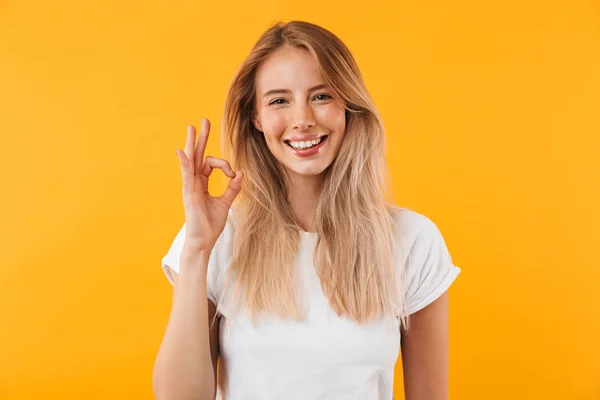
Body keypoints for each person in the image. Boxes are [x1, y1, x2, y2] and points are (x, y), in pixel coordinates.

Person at [152, 20, 461, 400]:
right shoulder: (218, 239)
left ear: (349, 105)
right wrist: (197, 250)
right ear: (256, 118)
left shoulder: (413, 241)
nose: (302, 119)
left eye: (321, 96)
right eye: (279, 100)